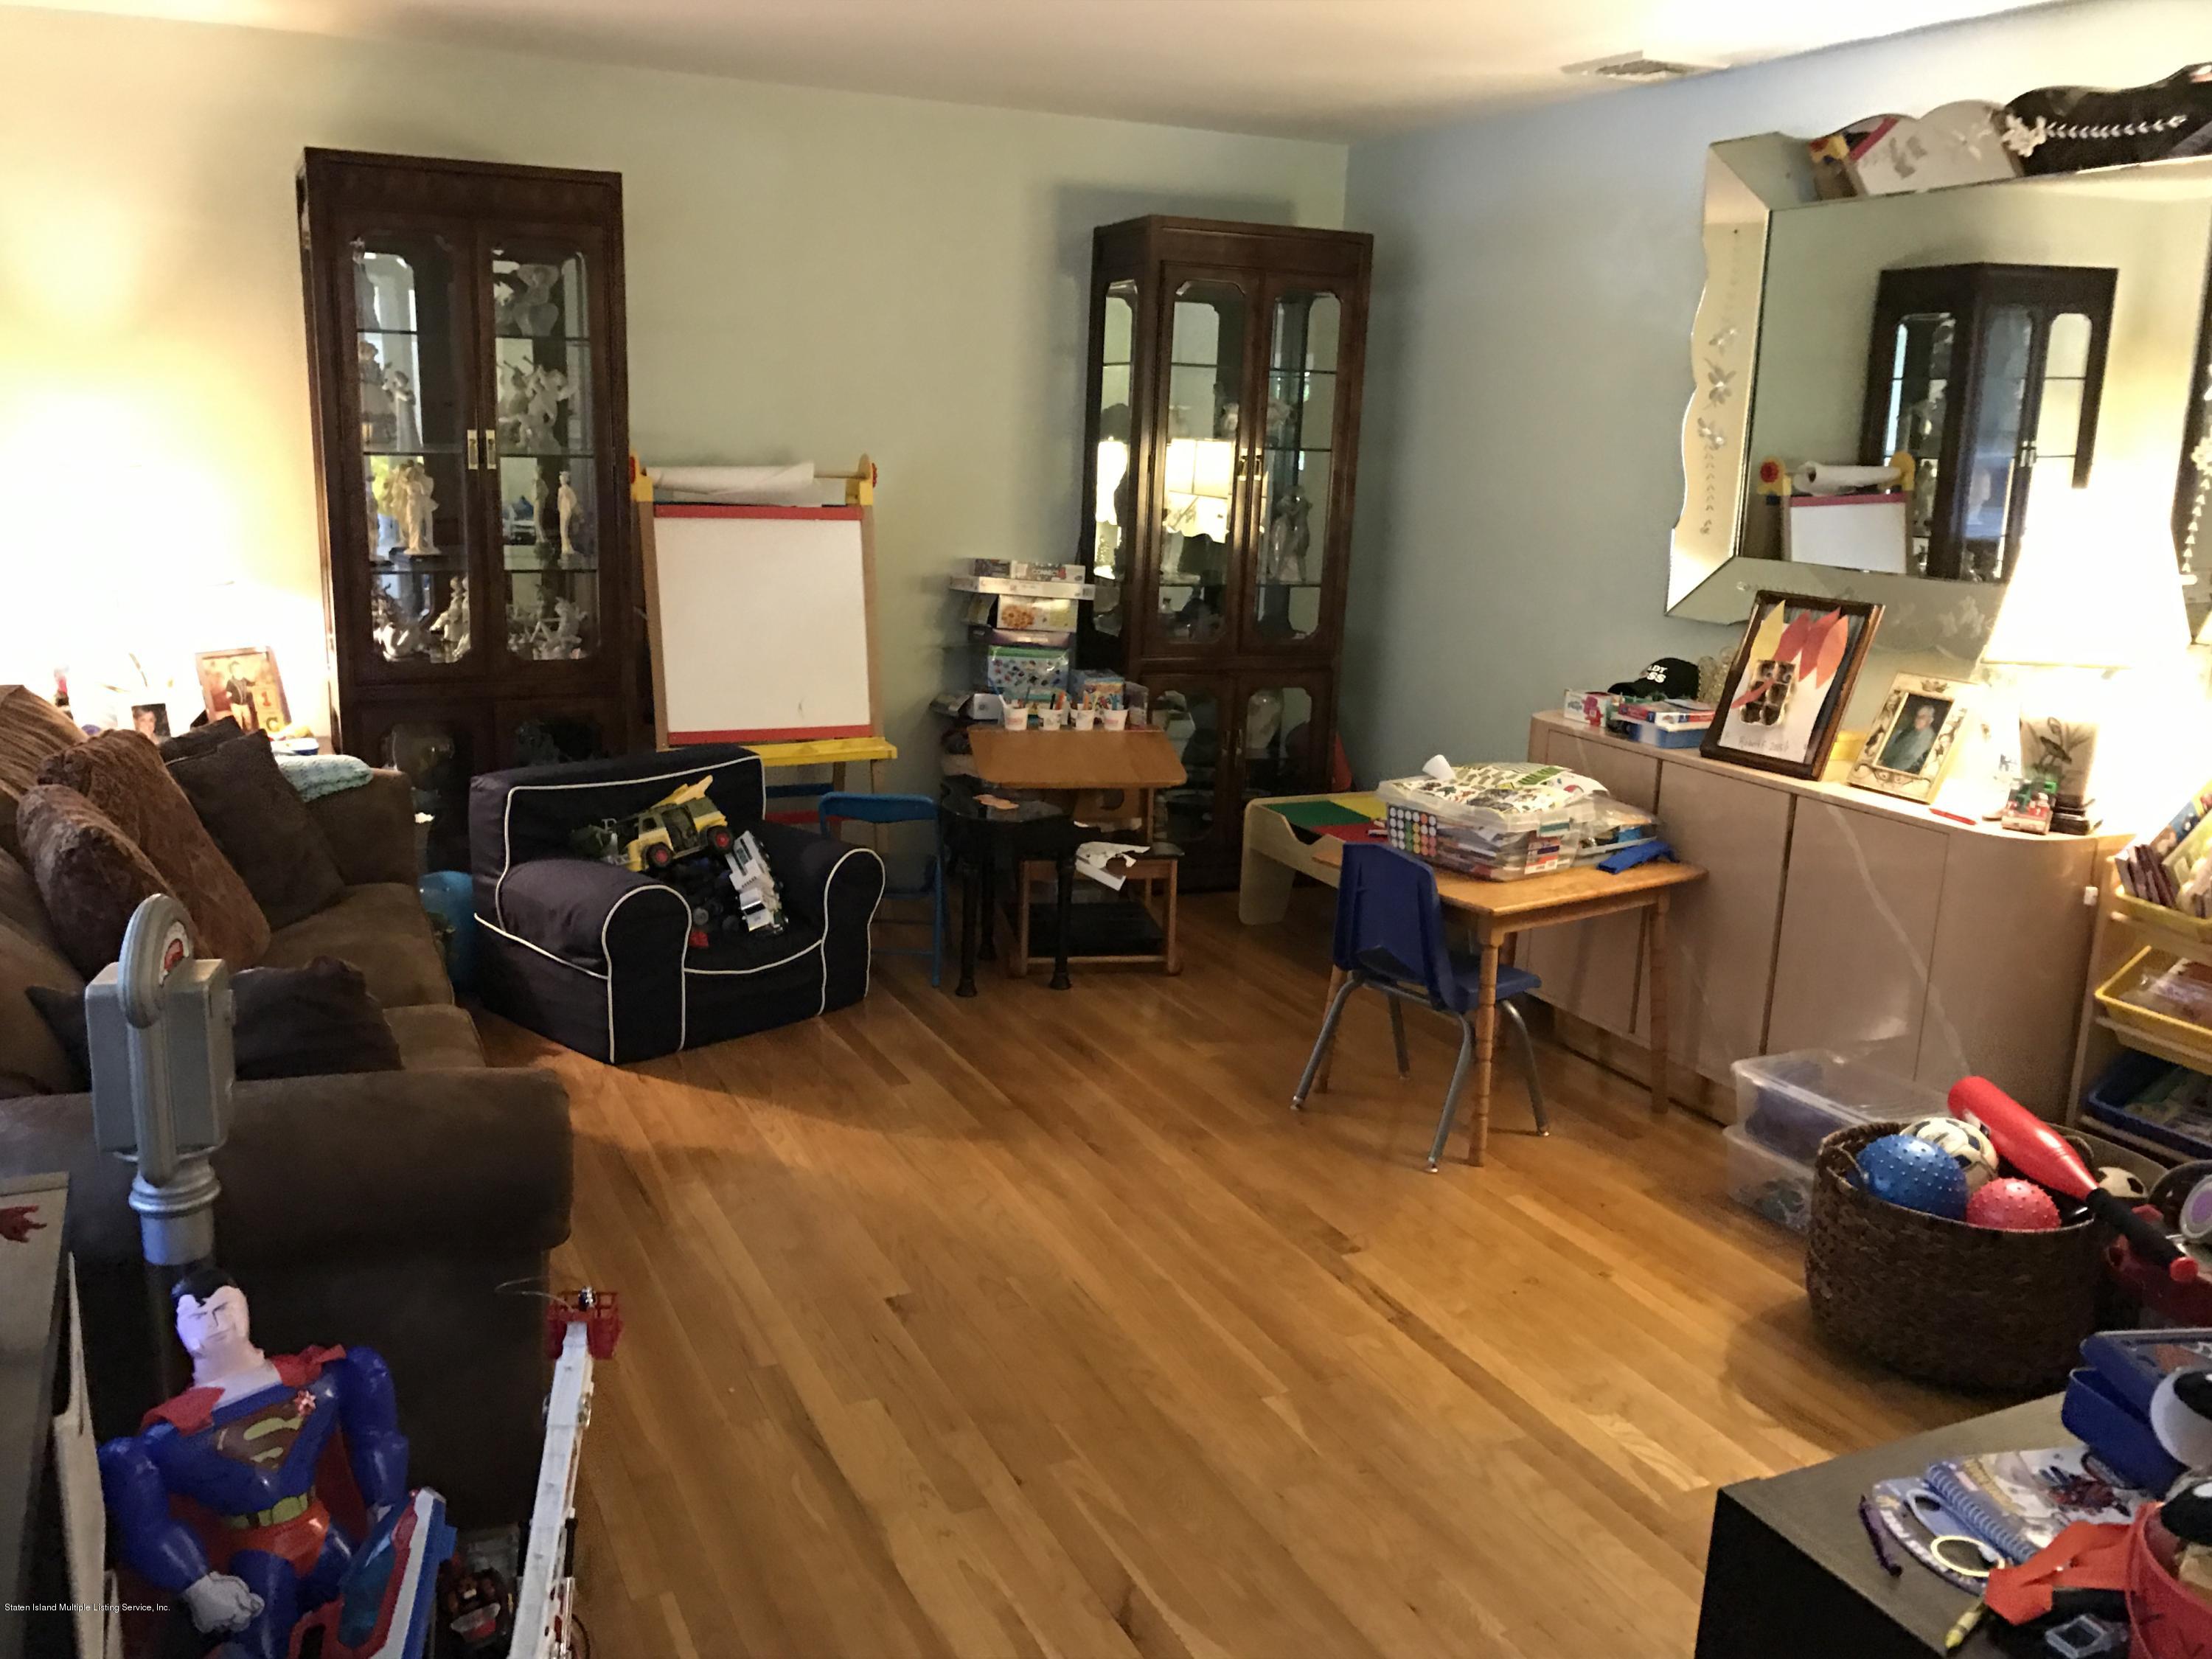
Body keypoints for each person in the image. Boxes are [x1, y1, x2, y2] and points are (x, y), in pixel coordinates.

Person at [97, 1269, 409, 1659]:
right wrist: (198, 1584)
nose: (213, 1323)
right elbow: (135, 1491)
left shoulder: (312, 1381)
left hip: (321, 1530)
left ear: (243, 1307)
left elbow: (372, 1415)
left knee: (376, 1624)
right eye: (197, 1316)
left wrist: (387, 1508)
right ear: (179, 1329)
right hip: (259, 1554)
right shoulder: (173, 1436)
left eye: (222, 1308)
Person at [1880, 700, 1942, 773]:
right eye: (1917, 716)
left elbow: (1907, 761)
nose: (1917, 720)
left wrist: (1885, 768)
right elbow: (1896, 749)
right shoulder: (1914, 732)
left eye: (1922, 717)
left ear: (1930, 720)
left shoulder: (1926, 737)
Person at [221, 660, 261, 732]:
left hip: (245, 704)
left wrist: (256, 683)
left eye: (240, 669)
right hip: (235, 705)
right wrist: (229, 699)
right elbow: (228, 693)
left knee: (248, 718)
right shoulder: (231, 682)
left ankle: (250, 731)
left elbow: (251, 684)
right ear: (232, 672)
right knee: (238, 719)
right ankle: (239, 732)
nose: (239, 671)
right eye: (236, 670)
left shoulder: (244, 679)